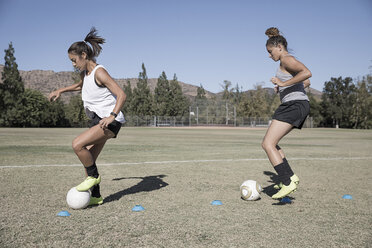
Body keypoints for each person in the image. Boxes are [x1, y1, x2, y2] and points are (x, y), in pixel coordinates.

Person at [49, 27, 126, 206]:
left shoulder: (99, 71)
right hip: (98, 121)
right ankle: (96, 196)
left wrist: (112, 116)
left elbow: (121, 94)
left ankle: (94, 178)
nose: (73, 64)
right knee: (89, 158)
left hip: (108, 122)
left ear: (84, 55)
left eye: (74, 60)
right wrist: (61, 90)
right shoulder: (87, 74)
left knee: (77, 144)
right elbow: (80, 86)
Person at [261, 27, 311, 199]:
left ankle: (287, 182)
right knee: (273, 143)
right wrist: (285, 86)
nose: (269, 55)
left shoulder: (287, 59)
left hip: (294, 105)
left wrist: (283, 84)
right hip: (296, 104)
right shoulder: (286, 62)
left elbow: (307, 73)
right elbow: (307, 82)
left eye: (270, 51)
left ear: (279, 47)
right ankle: (289, 178)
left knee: (267, 144)